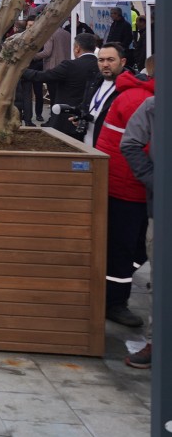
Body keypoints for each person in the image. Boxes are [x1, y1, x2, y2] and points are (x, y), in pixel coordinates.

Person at [93, 66, 155, 329]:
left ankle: (112, 294)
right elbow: (144, 147)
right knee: (125, 248)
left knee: (132, 247)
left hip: (129, 185)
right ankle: (113, 301)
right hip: (129, 187)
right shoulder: (141, 100)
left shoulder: (134, 94)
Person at [119, 95, 155, 369]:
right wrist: (157, 181)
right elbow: (130, 143)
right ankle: (157, 341)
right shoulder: (155, 105)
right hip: (162, 208)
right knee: (162, 277)